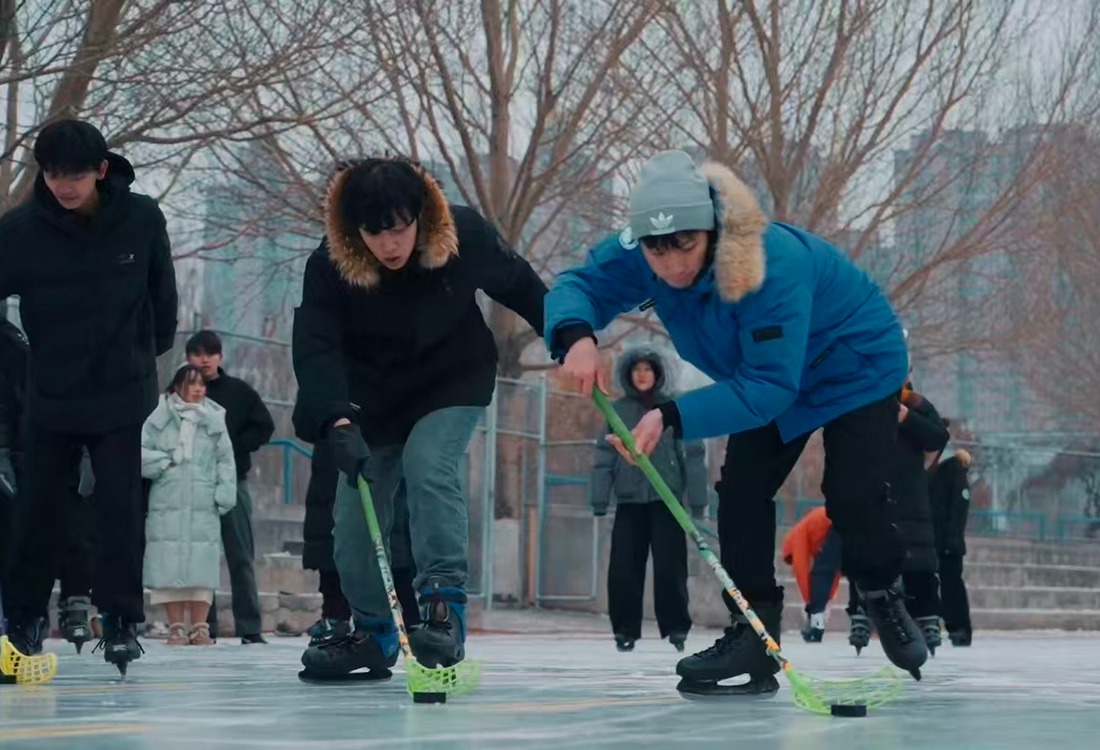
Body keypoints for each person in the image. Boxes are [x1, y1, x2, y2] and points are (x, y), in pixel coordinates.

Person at [545, 150, 928, 697]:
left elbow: (772, 389)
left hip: (855, 365)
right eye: (656, 249)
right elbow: (578, 284)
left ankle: (882, 592)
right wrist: (575, 335)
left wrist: (671, 415)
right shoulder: (645, 251)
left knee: (851, 494)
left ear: (712, 228)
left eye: (685, 244)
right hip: (769, 374)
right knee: (742, 490)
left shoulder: (768, 263)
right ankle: (752, 631)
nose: (672, 264)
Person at [292, 156, 546, 678]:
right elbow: (316, 345)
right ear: (352, 229)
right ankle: (375, 630)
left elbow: (521, 285)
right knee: (355, 517)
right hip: (372, 398)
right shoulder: (329, 265)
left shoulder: (462, 235)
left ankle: (442, 609)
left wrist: (569, 334)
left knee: (430, 465)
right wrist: (336, 420)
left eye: (400, 229)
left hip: (451, 380)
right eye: (374, 233)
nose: (389, 245)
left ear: (419, 217)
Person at [0, 119, 178, 674]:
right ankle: (25, 620)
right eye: (53, 175)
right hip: (51, 391)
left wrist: (142, 353)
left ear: (101, 170)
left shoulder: (141, 219)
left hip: (122, 389)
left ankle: (121, 620)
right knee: (38, 510)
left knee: (118, 505)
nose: (64, 186)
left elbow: (163, 298)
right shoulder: (20, 231)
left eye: (75, 174)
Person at [591, 347, 708, 653]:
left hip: (666, 500)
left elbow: (693, 455)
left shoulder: (673, 409)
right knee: (623, 568)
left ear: (658, 374)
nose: (642, 375)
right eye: (636, 369)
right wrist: (600, 498)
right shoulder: (618, 411)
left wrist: (698, 501)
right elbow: (604, 456)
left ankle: (676, 628)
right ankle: (624, 629)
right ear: (629, 375)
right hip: (629, 502)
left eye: (648, 369)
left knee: (671, 568)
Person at [185, 330, 274, 645]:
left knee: (240, 556)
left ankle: (249, 627)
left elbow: (264, 426)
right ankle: (202, 627)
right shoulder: (180, 396)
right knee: (200, 559)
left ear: (220, 357)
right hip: (194, 483)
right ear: (188, 359)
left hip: (232, 482)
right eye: (197, 353)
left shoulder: (239, 391)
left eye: (210, 353)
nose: (204, 359)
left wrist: (234, 448)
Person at [848, 382, 948, 653]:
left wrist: (907, 418)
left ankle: (927, 615)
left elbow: (938, 438)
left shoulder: (915, 403)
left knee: (920, 560)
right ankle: (861, 612)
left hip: (910, 494)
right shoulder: (859, 394)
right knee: (866, 553)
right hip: (871, 490)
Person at [142, 365, 237, 646]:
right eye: (191, 383)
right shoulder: (160, 417)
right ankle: (176, 628)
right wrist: (164, 463)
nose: (198, 389)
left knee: (201, 563)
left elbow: (226, 460)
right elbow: (141, 451)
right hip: (167, 499)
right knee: (168, 563)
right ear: (177, 386)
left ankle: (199, 627)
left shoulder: (214, 420)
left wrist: (224, 494)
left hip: (202, 500)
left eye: (201, 384)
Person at [301, 442, 420, 648]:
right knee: (341, 539)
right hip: (343, 444)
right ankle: (345, 620)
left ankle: (407, 622)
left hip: (382, 443)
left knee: (393, 534)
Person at [930, 438, 973, 647]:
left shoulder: (953, 468)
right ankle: (931, 625)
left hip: (948, 542)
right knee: (927, 584)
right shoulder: (927, 468)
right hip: (928, 539)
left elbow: (959, 506)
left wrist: (952, 539)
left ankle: (959, 628)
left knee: (951, 585)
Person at [780, 506, 841, 643]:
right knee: (827, 570)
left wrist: (810, 602)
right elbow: (834, 571)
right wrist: (827, 597)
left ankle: (816, 623)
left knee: (820, 573)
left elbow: (802, 573)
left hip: (835, 519)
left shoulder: (797, 537)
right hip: (843, 517)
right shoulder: (814, 534)